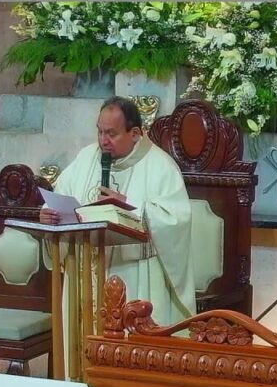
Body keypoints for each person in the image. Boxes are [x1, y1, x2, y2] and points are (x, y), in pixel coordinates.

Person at [41, 96, 195, 331]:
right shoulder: (86, 158)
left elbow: (175, 220)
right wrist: (49, 214)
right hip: (85, 275)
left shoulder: (160, 167)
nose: (103, 141)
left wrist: (130, 205)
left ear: (135, 133)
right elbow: (61, 197)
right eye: (100, 132)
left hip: (135, 277)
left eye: (111, 134)